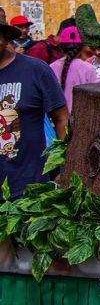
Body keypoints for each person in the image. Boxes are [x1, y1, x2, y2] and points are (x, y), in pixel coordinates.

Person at [0, 22, 68, 199]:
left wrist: (65, 166)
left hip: (28, 190)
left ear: (5, 37)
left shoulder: (35, 70)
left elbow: (61, 118)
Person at [47, 26, 99, 116]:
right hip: (82, 119)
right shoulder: (89, 69)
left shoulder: (50, 68)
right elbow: (95, 99)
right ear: (81, 47)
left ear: (60, 47)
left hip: (56, 120)